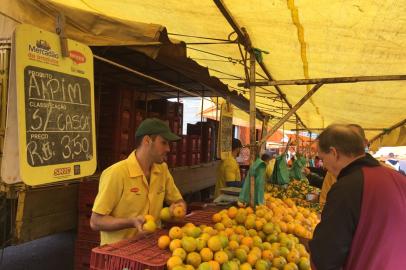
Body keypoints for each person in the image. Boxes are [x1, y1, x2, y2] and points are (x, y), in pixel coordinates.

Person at [309, 124, 406, 269]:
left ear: (334, 153)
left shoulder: (348, 187)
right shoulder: (399, 179)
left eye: (322, 159)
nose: (324, 165)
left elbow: (326, 254)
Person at [90, 118, 186, 245]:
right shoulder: (116, 173)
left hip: (151, 248)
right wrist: (131, 222)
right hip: (118, 253)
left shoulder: (162, 170)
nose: (168, 149)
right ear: (147, 141)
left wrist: (179, 208)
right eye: (164, 143)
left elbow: (178, 201)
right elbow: (95, 222)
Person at [319, 124, 393, 206]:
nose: (351, 145)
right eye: (346, 141)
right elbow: (324, 203)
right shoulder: (332, 173)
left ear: (365, 143)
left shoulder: (389, 172)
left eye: (355, 140)